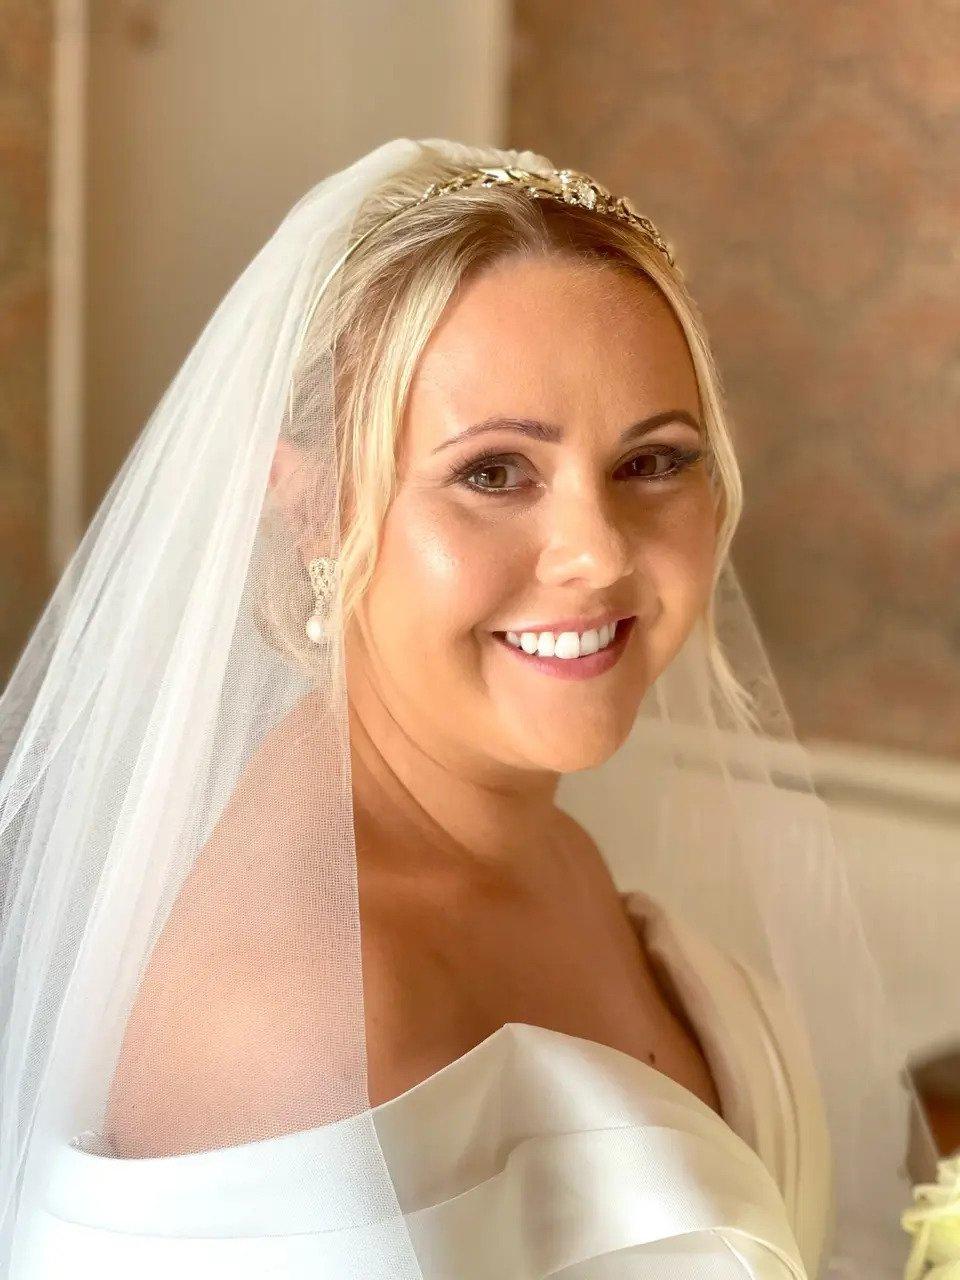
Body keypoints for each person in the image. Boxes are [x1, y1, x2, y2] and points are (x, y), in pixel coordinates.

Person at [0, 138, 915, 1277]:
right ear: (317, 510)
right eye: (493, 472)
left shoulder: (538, 844)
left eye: (654, 460)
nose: (595, 552)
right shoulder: (298, 1007)